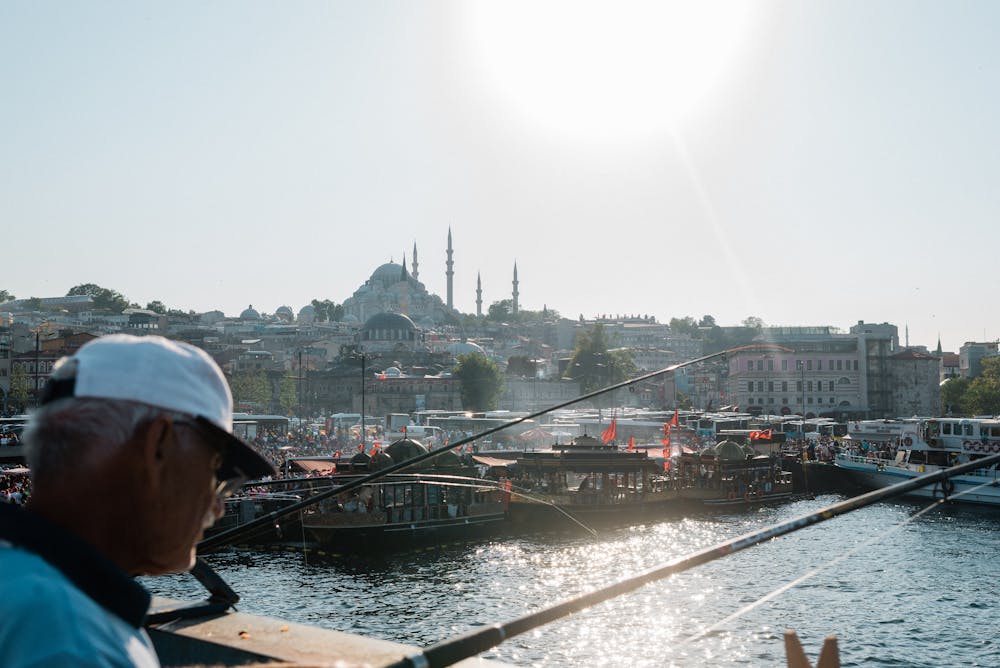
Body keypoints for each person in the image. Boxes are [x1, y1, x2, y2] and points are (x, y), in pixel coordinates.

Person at [0, 334, 275, 667]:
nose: (218, 506)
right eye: (217, 471)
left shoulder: (22, 585)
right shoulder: (75, 643)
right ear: (157, 445)